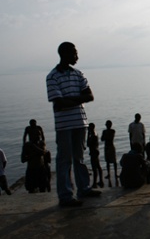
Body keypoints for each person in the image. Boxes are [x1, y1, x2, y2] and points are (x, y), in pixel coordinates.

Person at [46, 41, 101, 207]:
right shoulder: (52, 76)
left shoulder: (79, 74)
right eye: (74, 53)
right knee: (64, 160)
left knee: (79, 158)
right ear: (65, 54)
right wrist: (77, 99)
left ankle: (83, 188)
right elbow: (59, 103)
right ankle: (66, 196)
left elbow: (89, 96)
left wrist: (67, 100)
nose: (77, 56)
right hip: (65, 125)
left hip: (80, 123)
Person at [101, 120, 118, 187]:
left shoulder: (112, 131)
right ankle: (109, 173)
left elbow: (110, 138)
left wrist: (106, 137)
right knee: (107, 161)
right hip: (107, 146)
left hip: (110, 146)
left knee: (114, 161)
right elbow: (102, 139)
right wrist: (106, 137)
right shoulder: (105, 131)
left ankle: (115, 173)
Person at [87, 123, 104, 188]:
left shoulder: (92, 135)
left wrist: (88, 135)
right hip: (95, 151)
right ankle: (100, 180)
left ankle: (94, 183)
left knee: (94, 168)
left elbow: (88, 144)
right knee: (98, 166)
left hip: (93, 152)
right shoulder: (95, 133)